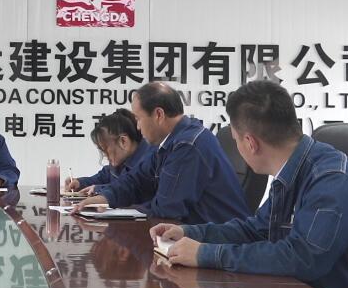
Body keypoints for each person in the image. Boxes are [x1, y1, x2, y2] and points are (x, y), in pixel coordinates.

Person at [150, 80, 348, 288]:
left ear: (250, 143)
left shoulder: (333, 181)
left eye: (235, 140)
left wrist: (206, 254)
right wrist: (191, 233)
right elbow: (257, 229)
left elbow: (303, 258)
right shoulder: (294, 171)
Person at [75, 83, 248, 223]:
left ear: (158, 114)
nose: (137, 127)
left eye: (138, 119)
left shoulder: (188, 146)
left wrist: (121, 211)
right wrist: (106, 198)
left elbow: (167, 210)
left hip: (219, 242)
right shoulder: (169, 142)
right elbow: (137, 180)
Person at [64, 108, 154, 195]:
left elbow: (132, 189)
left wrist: (99, 190)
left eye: (105, 149)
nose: (104, 155)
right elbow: (103, 177)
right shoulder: (120, 162)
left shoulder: (150, 160)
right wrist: (80, 183)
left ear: (123, 141)